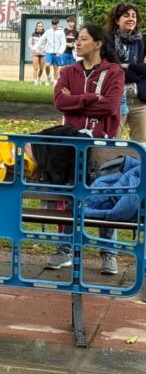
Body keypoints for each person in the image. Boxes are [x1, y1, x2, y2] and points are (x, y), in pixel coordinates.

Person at [46, 24, 124, 274]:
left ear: (97, 43)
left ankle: (108, 253)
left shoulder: (114, 72)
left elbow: (110, 106)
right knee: (71, 194)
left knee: (106, 195)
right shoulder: (69, 71)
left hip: (103, 145)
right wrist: (90, 99)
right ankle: (64, 249)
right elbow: (60, 101)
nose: (77, 43)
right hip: (72, 145)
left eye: (83, 39)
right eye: (77, 39)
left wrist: (75, 102)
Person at [106, 2, 146, 143]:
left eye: (134, 16)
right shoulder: (107, 40)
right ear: (117, 20)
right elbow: (111, 69)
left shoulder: (142, 41)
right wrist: (137, 73)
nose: (131, 19)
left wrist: (127, 65)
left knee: (142, 144)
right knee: (111, 142)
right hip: (115, 98)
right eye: (126, 15)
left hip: (139, 99)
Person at [38, 17, 66, 85]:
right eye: (53, 24)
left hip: (57, 52)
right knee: (47, 65)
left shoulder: (61, 32)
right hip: (49, 52)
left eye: (55, 24)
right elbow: (42, 39)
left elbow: (63, 43)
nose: (54, 25)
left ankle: (55, 81)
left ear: (58, 23)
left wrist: (60, 51)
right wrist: (36, 47)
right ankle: (48, 77)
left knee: (55, 67)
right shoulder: (48, 31)